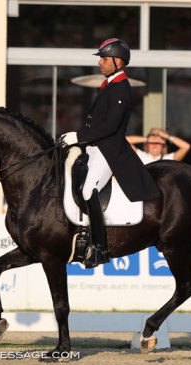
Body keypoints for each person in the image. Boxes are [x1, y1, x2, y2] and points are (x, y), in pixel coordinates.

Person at [61, 38, 160, 268]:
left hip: (110, 150)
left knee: (88, 190)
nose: (100, 63)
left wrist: (79, 137)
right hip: (95, 147)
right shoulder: (110, 85)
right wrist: (76, 139)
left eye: (104, 59)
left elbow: (110, 126)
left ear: (117, 61)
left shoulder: (121, 88)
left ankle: (99, 247)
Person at [126, 128, 191, 164]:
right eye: (152, 143)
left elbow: (186, 147)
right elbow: (124, 140)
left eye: (158, 143)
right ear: (147, 145)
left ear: (163, 146)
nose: (155, 146)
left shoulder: (168, 159)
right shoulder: (140, 155)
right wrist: (147, 138)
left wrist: (166, 136)